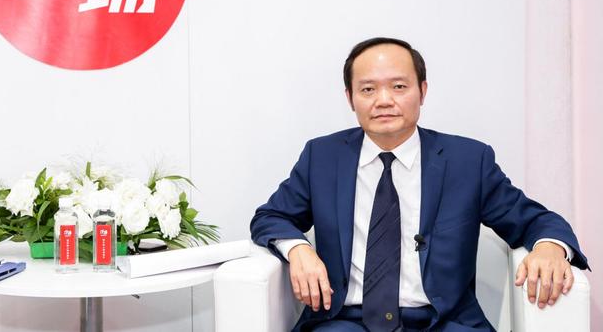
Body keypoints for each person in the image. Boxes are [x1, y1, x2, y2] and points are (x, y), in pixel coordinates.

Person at [250, 37, 589, 332]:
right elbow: (270, 217)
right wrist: (299, 249)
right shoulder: (322, 157)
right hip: (344, 322)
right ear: (350, 98)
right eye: (368, 89)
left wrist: (549, 248)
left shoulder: (467, 161)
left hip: (444, 323)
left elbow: (535, 220)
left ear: (422, 91)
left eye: (399, 87)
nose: (384, 100)